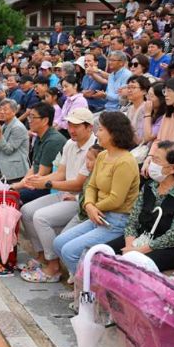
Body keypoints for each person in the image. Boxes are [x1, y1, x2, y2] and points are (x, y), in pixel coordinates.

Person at [53, 111, 140, 276]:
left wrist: (92, 207)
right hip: (97, 214)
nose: (96, 133)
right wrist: (89, 205)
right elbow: (91, 185)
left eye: (101, 129)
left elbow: (116, 199)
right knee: (59, 243)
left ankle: (88, 292)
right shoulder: (102, 155)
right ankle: (84, 286)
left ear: (113, 133)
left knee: (69, 251)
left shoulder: (126, 162)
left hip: (116, 220)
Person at [19, 116, 97, 283]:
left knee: (41, 217)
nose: (71, 129)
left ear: (89, 127)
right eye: (69, 124)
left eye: (76, 125)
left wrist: (46, 182)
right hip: (64, 193)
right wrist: (39, 180)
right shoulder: (69, 143)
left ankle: (53, 266)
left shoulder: (94, 148)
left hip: (79, 199)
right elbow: (61, 173)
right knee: (26, 211)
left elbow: (78, 184)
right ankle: (41, 256)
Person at [110, 141, 174, 272]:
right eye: (151, 158)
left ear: (173, 168)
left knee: (133, 266)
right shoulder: (149, 186)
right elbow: (133, 220)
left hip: (171, 249)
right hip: (142, 238)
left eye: (156, 160)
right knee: (102, 253)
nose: (151, 163)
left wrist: (137, 251)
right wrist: (130, 245)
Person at [10, 103, 66, 204]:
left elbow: (41, 174)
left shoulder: (53, 141)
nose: (29, 121)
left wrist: (18, 186)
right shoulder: (40, 137)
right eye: (29, 117)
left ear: (45, 120)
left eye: (32, 117)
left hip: (48, 186)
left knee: (12, 196)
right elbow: (34, 167)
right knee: (8, 191)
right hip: (36, 182)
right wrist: (19, 184)